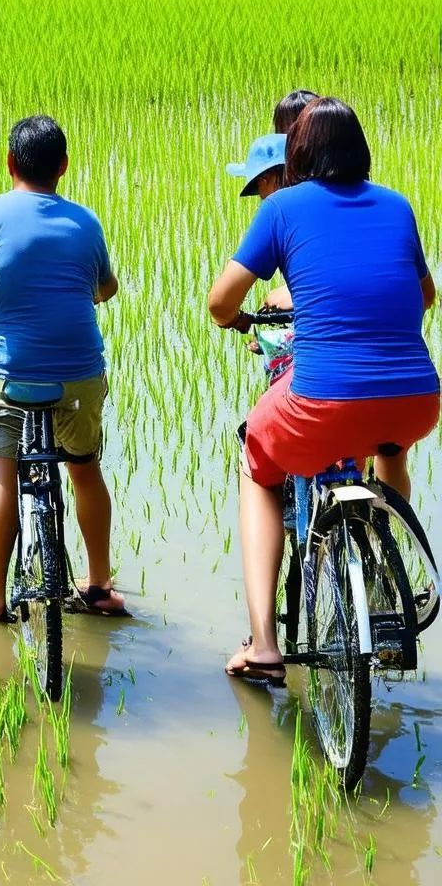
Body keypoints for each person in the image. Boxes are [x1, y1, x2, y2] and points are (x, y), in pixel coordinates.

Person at [208, 97, 439, 684]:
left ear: (297, 155)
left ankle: (264, 643)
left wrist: (245, 317)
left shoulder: (283, 206)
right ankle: (385, 570)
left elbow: (219, 302)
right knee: (387, 449)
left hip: (321, 402)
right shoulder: (397, 204)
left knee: (255, 464)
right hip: (416, 399)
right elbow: (426, 294)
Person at [0, 115, 126, 620]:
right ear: (63, 167)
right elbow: (105, 286)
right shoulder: (85, 222)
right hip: (79, 375)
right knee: (85, 470)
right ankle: (98, 585)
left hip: (9, 374)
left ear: (9, 163)